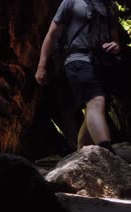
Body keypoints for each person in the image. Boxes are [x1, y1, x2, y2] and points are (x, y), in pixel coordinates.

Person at [35, 0, 121, 154]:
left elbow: (115, 39)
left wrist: (115, 45)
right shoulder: (71, 2)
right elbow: (52, 35)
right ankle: (107, 153)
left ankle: (80, 154)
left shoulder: (110, 7)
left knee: (93, 109)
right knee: (96, 101)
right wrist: (41, 67)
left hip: (102, 62)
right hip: (77, 59)